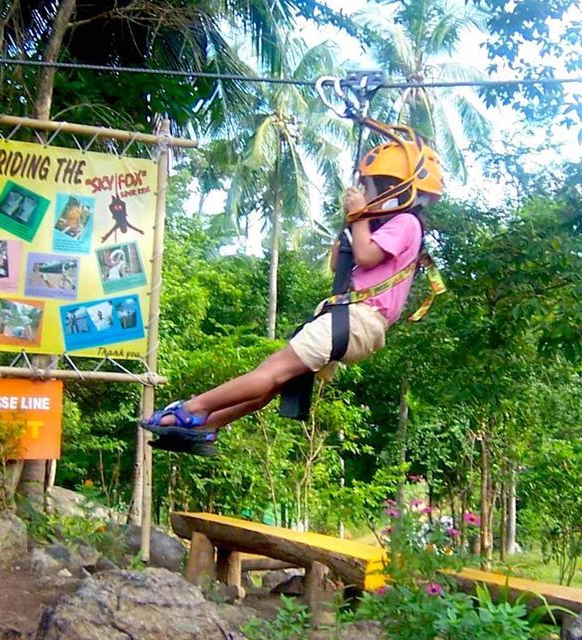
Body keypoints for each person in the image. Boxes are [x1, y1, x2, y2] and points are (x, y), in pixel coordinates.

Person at [141, 133, 443, 456]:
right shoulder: (385, 226)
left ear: (392, 190)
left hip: (356, 319)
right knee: (274, 382)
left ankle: (192, 410)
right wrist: (353, 224)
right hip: (352, 321)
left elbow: (367, 256)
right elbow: (340, 263)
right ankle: (209, 426)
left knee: (268, 373)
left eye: (367, 189)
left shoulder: (407, 223)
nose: (362, 195)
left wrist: (357, 216)